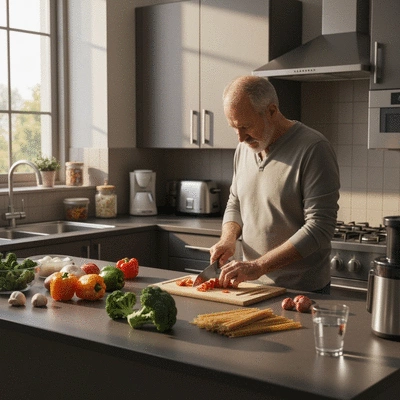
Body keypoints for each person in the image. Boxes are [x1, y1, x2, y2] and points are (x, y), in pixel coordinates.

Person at [210, 76, 340, 293]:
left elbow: (319, 227)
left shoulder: (314, 148)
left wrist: (259, 265)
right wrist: (228, 239)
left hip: (301, 291)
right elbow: (236, 202)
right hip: (250, 287)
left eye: (246, 126)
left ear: (271, 111)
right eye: (234, 128)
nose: (240, 137)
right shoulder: (244, 148)